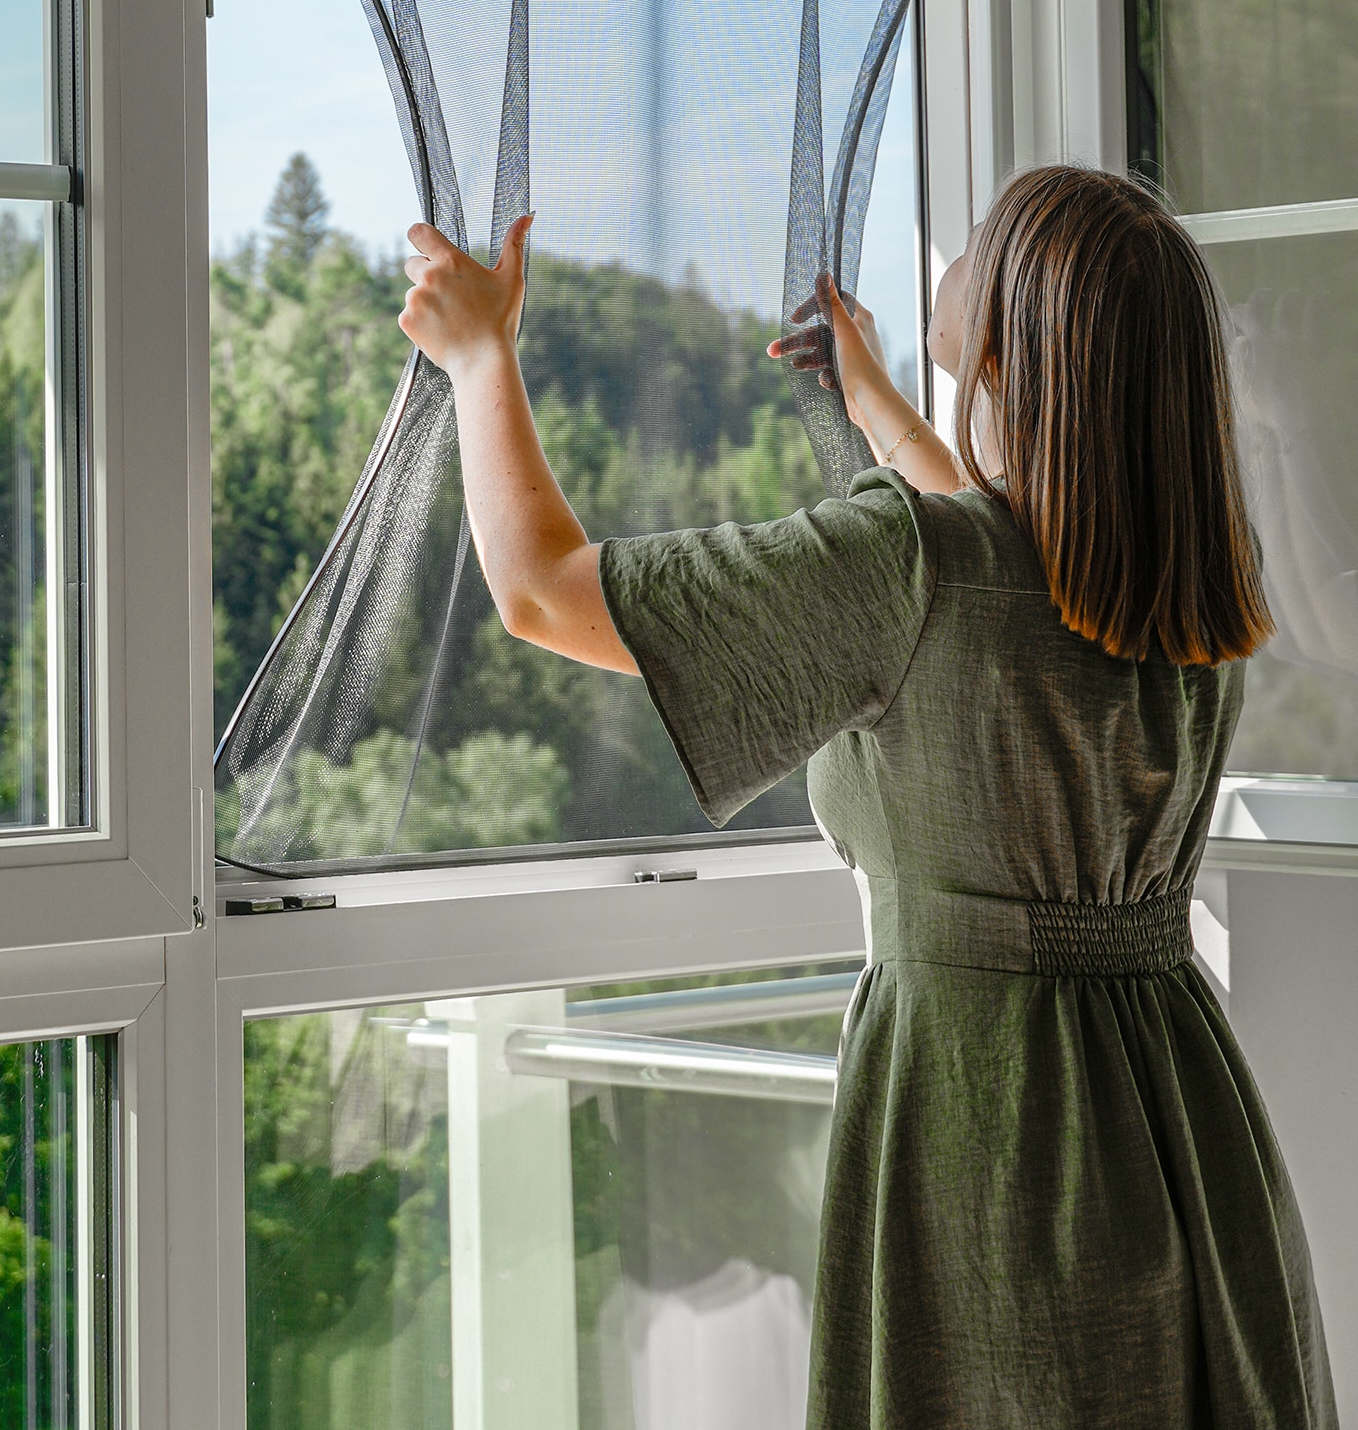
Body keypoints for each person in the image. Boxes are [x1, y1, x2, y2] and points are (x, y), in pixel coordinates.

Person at [398, 163, 1336, 1430]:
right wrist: (876, 401)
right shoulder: (1178, 580)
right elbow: (985, 552)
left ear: (1003, 341)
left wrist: (479, 359)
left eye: (977, 239)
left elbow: (542, 589)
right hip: (1182, 1118)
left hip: (992, 1121)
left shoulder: (913, 564)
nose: (952, 251)